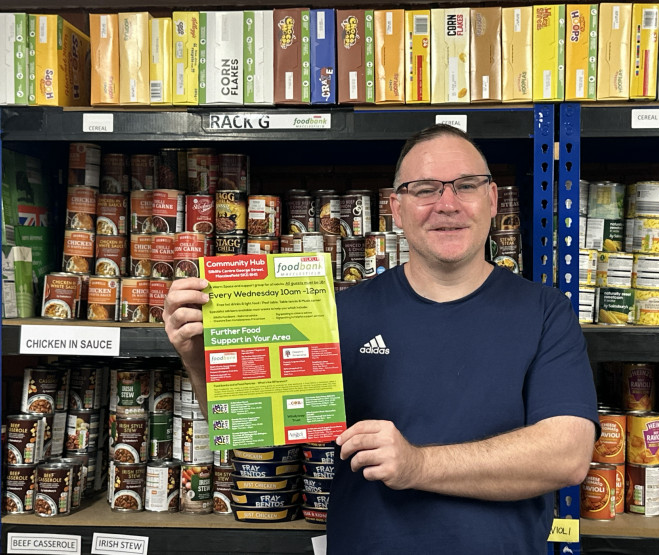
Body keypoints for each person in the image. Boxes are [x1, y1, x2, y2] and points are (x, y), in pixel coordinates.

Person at [164, 124, 598, 553]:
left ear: (491, 199)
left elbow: (567, 455)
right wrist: (201, 358)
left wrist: (417, 464)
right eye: (425, 189)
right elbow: (250, 430)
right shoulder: (339, 314)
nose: (447, 204)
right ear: (395, 207)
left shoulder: (544, 311)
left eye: (466, 185)